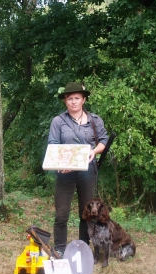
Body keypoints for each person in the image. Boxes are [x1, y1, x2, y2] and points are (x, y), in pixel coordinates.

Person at [48, 82, 108, 257]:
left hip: (88, 171)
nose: (73, 101)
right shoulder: (58, 121)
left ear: (83, 99)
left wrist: (93, 151)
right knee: (61, 213)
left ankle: (82, 246)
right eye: (69, 98)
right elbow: (53, 145)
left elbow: (103, 141)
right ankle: (60, 248)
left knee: (87, 211)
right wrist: (60, 164)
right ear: (65, 101)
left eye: (76, 98)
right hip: (64, 173)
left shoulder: (95, 120)